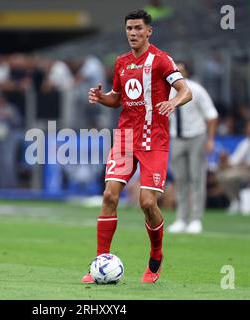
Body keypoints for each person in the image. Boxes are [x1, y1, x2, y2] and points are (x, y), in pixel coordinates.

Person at [83, 9, 192, 284]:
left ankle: (156, 255)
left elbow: (185, 91)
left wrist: (173, 102)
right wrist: (100, 97)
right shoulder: (120, 63)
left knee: (146, 202)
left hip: (154, 139)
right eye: (129, 29)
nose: (133, 33)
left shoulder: (161, 60)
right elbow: (117, 99)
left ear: (148, 31)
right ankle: (99, 261)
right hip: (125, 138)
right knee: (109, 195)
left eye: (138, 28)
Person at [167, 62, 219, 234]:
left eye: (181, 70)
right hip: (177, 137)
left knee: (197, 178)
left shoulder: (196, 90)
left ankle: (196, 219)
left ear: (186, 72)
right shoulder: (167, 91)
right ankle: (181, 218)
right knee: (180, 179)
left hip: (196, 136)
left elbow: (211, 115)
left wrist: (210, 139)